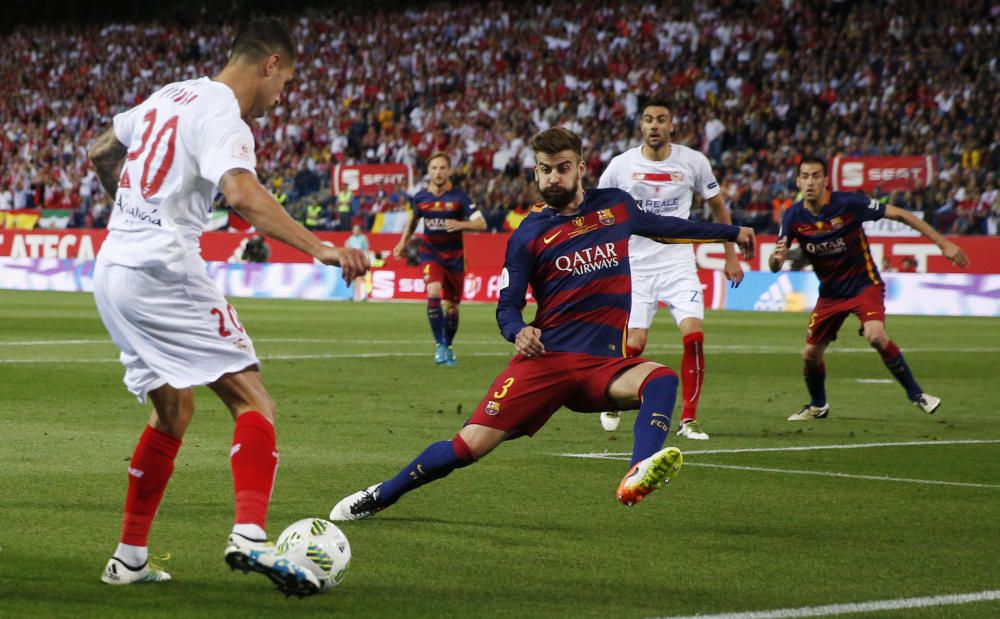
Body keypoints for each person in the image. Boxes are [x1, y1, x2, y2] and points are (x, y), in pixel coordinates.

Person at [329, 127, 755, 521]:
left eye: (563, 168)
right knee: (467, 447)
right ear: (536, 171)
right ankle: (382, 494)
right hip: (546, 363)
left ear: (580, 169)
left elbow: (668, 228)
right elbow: (507, 306)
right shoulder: (528, 234)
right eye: (545, 169)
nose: (553, 177)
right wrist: (519, 331)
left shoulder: (615, 207)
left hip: (600, 367)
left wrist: (730, 232)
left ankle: (635, 474)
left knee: (660, 380)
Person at [87, 18, 368, 596]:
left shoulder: (171, 94)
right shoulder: (223, 113)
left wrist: (134, 210)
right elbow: (240, 192)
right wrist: (322, 248)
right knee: (252, 398)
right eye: (285, 82)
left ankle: (129, 558)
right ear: (269, 64)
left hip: (112, 267)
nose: (280, 96)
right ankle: (248, 534)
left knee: (172, 411)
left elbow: (99, 149)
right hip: (164, 270)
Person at [768, 155, 969, 420]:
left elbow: (901, 214)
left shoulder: (848, 204)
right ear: (797, 181)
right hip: (830, 294)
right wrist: (776, 257)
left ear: (826, 180)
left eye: (816, 176)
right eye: (805, 176)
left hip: (864, 285)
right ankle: (818, 406)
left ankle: (917, 394)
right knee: (810, 356)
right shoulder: (793, 215)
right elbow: (775, 264)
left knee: (875, 335)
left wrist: (943, 243)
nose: (810, 182)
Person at [595, 96, 743, 441]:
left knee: (693, 337)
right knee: (636, 343)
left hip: (678, 264)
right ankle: (614, 393)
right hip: (636, 267)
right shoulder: (620, 165)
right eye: (649, 119)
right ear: (641, 125)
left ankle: (688, 419)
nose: (655, 126)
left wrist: (730, 256)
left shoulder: (693, 161)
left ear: (672, 125)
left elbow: (718, 207)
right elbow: (597, 211)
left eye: (662, 119)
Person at [393, 152, 486, 366]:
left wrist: (461, 225)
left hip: (455, 259)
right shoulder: (421, 198)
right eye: (434, 168)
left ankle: (448, 345)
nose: (438, 172)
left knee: (452, 309)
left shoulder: (459, 198)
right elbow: (412, 221)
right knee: (433, 291)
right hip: (430, 255)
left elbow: (481, 223)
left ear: (449, 171)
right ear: (428, 172)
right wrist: (402, 243)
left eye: (442, 168)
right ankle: (439, 345)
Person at [346, 224, 370, 301]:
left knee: (361, 277)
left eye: (356, 229)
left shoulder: (363, 238)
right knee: (352, 278)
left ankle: (364, 295)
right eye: (354, 229)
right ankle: (351, 296)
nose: (355, 231)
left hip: (360, 259)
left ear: (360, 230)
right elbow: (348, 249)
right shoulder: (350, 239)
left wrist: (366, 259)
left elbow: (366, 250)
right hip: (353, 260)